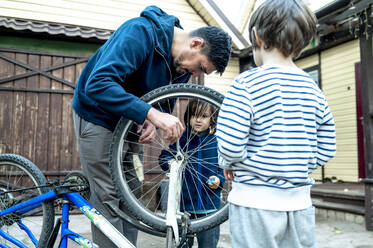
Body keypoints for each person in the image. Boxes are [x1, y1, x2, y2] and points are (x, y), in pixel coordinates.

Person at [72, 5, 231, 247]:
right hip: (98, 117)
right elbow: (99, 84)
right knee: (109, 198)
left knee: (132, 196)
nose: (196, 73)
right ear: (196, 43)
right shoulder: (140, 32)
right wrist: (149, 113)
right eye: (200, 67)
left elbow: (162, 102)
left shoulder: (182, 67)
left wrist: (151, 121)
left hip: (129, 126)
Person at [215, 0, 337, 247]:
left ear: (257, 37)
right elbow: (327, 147)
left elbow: (230, 145)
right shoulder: (313, 89)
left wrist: (229, 162)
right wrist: (300, 162)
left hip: (254, 203)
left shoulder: (245, 84)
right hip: (300, 204)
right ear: (302, 43)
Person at [159, 100, 225, 248]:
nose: (198, 119)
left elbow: (225, 167)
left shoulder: (217, 142)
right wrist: (171, 164)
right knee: (181, 245)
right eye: (194, 115)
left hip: (210, 209)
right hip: (183, 208)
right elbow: (164, 156)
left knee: (208, 245)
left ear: (212, 119)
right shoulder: (181, 140)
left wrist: (219, 179)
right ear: (188, 117)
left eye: (204, 116)